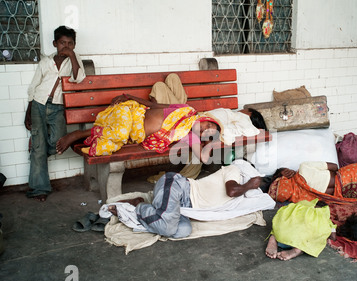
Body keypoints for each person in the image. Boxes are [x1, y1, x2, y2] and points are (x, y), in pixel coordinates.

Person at [56, 73, 220, 163]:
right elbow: (156, 106)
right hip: (131, 113)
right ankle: (78, 134)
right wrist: (130, 97)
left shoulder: (189, 136)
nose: (204, 129)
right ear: (204, 118)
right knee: (119, 133)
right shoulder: (185, 110)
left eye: (206, 133)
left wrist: (212, 142)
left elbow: (205, 158)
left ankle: (87, 135)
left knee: (113, 142)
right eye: (207, 125)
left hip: (133, 134)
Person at [103, 160, 264, 238]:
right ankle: (139, 205)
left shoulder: (240, 193)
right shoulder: (234, 170)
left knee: (183, 231)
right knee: (166, 227)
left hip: (183, 209)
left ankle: (153, 209)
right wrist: (250, 184)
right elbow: (232, 191)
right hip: (178, 186)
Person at [24, 26, 86, 202]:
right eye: (62, 43)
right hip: (38, 104)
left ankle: (38, 146)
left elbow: (78, 78)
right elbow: (34, 86)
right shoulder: (46, 61)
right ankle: (39, 188)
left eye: (70, 44)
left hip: (58, 106)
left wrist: (72, 56)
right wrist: (28, 111)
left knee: (57, 142)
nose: (65, 46)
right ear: (54, 43)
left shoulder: (74, 59)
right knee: (38, 148)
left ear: (74, 45)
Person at [265, 199, 337, 261]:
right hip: (300, 243)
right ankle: (297, 250)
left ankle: (273, 239)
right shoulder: (323, 216)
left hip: (281, 238)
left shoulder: (299, 206)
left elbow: (281, 213)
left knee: (282, 224)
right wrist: (330, 226)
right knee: (316, 236)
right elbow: (333, 237)